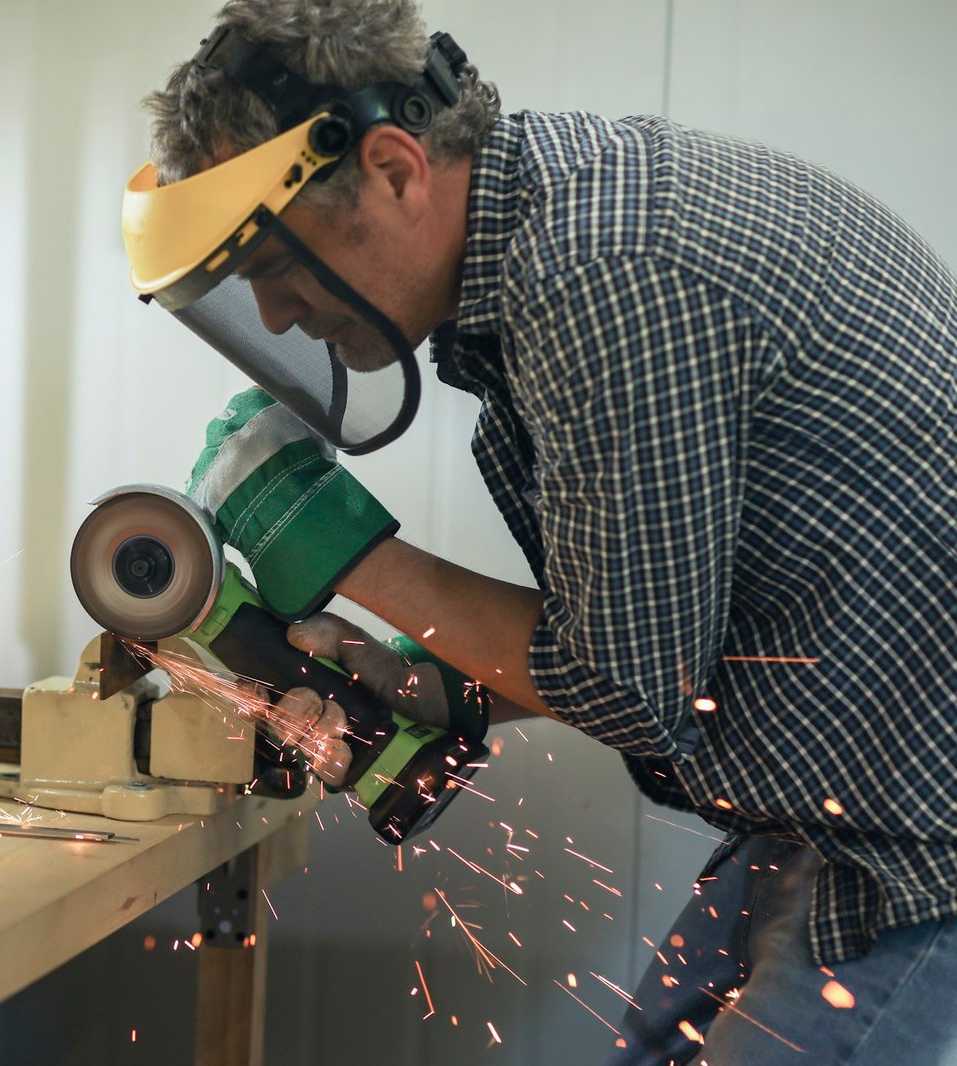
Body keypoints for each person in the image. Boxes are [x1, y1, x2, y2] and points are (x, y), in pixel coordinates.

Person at [121, 1, 957, 1062]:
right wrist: (434, 682)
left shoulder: (602, 272)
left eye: (279, 272)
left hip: (919, 846)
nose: (278, 319)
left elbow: (625, 681)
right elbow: (648, 632)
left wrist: (340, 549)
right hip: (836, 817)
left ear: (391, 168)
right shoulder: (562, 228)